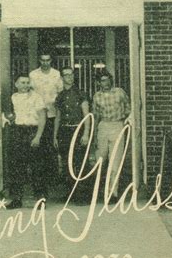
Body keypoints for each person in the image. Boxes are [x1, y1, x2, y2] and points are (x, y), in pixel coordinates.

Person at [5, 74, 47, 209]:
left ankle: (40, 199)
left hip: (32, 131)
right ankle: (17, 199)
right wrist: (10, 118)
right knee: (17, 167)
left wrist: (38, 136)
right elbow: (11, 115)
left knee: (37, 168)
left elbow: (42, 117)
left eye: (27, 82)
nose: (25, 85)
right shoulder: (13, 97)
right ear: (16, 84)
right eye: (22, 82)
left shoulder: (36, 97)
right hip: (18, 131)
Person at [53, 66, 91, 203]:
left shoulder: (81, 94)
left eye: (71, 74)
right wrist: (55, 136)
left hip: (78, 130)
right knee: (66, 163)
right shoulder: (60, 96)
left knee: (80, 162)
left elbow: (86, 116)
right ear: (62, 78)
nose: (69, 77)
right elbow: (58, 117)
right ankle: (70, 193)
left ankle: (82, 195)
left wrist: (86, 134)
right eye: (66, 75)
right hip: (64, 132)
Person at [92, 71, 131, 200]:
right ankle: (99, 190)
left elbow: (128, 110)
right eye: (102, 80)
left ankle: (112, 193)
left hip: (117, 125)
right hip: (103, 126)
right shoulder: (96, 96)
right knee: (100, 161)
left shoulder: (119, 92)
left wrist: (124, 125)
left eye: (107, 80)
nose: (106, 83)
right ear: (98, 82)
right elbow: (96, 116)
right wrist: (94, 135)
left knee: (115, 161)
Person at [29, 53, 63, 188]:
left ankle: (51, 179)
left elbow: (60, 92)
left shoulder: (56, 74)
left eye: (48, 60)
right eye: (42, 60)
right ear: (39, 60)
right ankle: (38, 180)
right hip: (37, 116)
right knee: (37, 148)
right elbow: (30, 92)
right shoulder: (33, 75)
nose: (45, 63)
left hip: (52, 114)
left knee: (51, 147)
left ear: (51, 60)